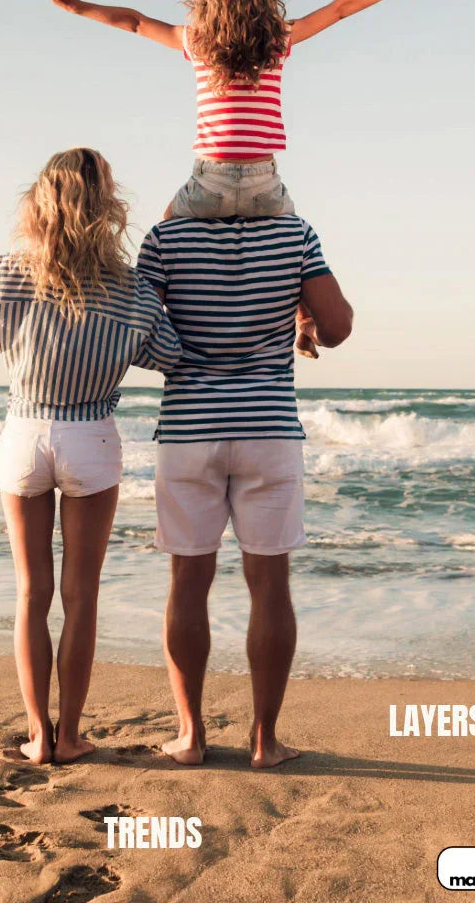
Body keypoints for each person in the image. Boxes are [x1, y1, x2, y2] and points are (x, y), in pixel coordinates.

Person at [0, 148, 181, 765]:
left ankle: (37, 737)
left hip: (25, 436)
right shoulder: (131, 288)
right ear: (107, 205)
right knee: (82, 596)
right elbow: (170, 355)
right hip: (92, 439)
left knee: (31, 593)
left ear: (42, 202)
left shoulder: (11, 271)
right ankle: (71, 735)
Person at [38, 0, 442, 355]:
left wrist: (78, 7)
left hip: (209, 183)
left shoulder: (196, 42)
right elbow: (340, 8)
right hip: (263, 185)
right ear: (263, 3)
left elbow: (136, 22)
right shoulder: (278, 40)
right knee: (298, 252)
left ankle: (145, 329)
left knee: (163, 236)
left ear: (207, 6)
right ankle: (304, 320)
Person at [136, 209, 353, 769]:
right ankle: (264, 741)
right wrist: (303, 319)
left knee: (188, 582)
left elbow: (141, 331)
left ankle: (190, 737)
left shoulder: (166, 236)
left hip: (188, 430)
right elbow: (338, 327)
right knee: (270, 584)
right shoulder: (295, 234)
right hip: (267, 429)